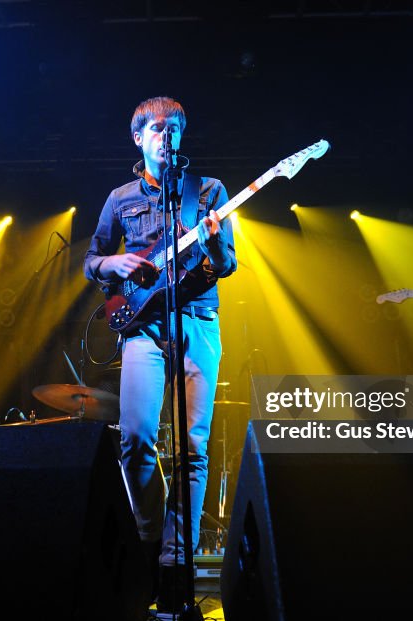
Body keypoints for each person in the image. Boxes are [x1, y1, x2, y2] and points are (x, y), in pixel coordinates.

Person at [84, 96, 236, 618]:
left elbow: (227, 263)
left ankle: (176, 565)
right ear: (138, 137)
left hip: (197, 319)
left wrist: (214, 247)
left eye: (175, 128)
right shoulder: (120, 196)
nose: (166, 135)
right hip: (143, 329)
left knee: (192, 448)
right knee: (136, 440)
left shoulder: (208, 191)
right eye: (156, 128)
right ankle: (148, 540)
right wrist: (114, 262)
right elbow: (90, 261)